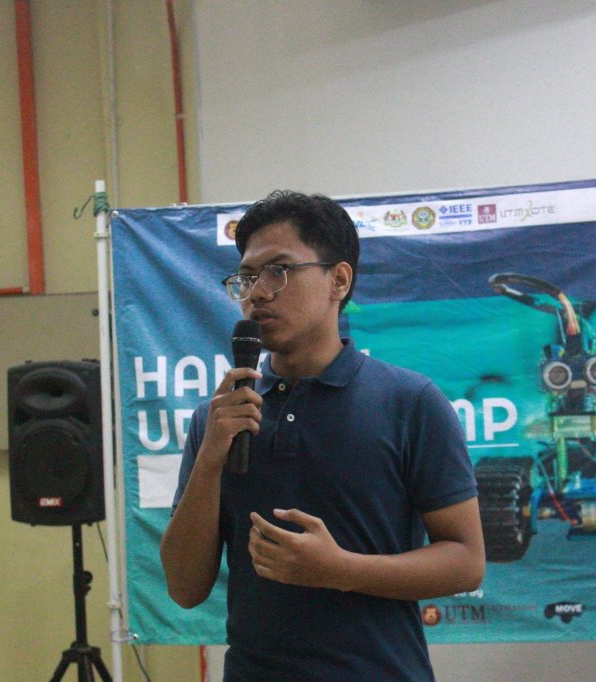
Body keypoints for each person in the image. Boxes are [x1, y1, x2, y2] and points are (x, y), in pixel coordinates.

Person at [160, 190, 485, 681]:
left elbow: (465, 562)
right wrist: (209, 460)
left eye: (278, 270)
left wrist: (340, 570)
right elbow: (185, 589)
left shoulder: (409, 402)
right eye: (247, 277)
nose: (257, 293)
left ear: (339, 279)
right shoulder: (219, 420)